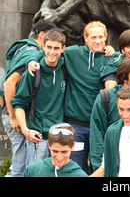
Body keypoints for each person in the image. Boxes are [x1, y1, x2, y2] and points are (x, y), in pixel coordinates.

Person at [28, 20, 115, 174]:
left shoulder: (111, 57)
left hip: (100, 126)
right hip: (76, 126)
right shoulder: (72, 53)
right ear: (85, 38)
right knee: (75, 169)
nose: (97, 41)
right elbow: (49, 52)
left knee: (100, 168)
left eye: (101, 37)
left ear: (106, 37)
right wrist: (32, 60)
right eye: (93, 37)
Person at [0, 19, 61, 177]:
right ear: (42, 35)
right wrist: (12, 116)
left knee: (21, 164)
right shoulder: (32, 53)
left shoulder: (22, 48)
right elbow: (8, 84)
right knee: (23, 167)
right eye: (49, 43)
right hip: (15, 113)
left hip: (9, 109)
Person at [89, 56, 130, 171]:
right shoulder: (105, 98)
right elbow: (97, 135)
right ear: (125, 77)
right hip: (111, 164)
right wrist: (99, 167)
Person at [11, 29, 67, 166]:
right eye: (49, 47)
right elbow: (19, 104)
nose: (52, 52)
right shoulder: (33, 72)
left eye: (56, 48)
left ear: (63, 49)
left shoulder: (66, 67)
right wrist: (26, 131)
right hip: (38, 137)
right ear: (43, 47)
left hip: (60, 136)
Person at [23, 123, 88, 177]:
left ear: (73, 146)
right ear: (48, 144)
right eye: (55, 151)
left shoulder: (80, 175)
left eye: (64, 152)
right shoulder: (33, 170)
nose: (59, 157)